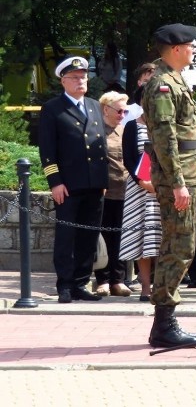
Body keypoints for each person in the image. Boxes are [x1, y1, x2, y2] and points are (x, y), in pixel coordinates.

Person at [141, 23, 196, 347]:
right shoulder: (163, 85)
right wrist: (179, 183)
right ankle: (164, 324)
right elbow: (164, 138)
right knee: (179, 249)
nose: (194, 50)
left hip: (188, 178)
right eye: (191, 46)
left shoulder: (175, 80)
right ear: (177, 48)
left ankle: (163, 323)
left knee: (178, 248)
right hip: (177, 181)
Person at [39, 56, 109, 303]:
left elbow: (100, 147)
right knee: (67, 237)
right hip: (68, 185)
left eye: (84, 77)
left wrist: (103, 181)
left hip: (93, 184)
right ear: (63, 81)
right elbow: (47, 150)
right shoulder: (53, 108)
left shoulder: (92, 105)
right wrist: (55, 182)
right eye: (75, 77)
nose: (81, 81)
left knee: (88, 236)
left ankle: (81, 282)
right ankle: (65, 285)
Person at [119, 87, 162, 302]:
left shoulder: (169, 126)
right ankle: (146, 286)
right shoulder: (131, 127)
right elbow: (128, 159)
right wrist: (144, 182)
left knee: (165, 240)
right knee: (142, 239)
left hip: (165, 189)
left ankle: (164, 286)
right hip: (140, 189)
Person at [94, 91, 132, 298]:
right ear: (105, 109)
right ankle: (102, 280)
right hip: (104, 191)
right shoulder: (95, 130)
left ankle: (119, 280)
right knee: (104, 238)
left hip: (125, 191)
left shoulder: (125, 130)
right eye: (119, 110)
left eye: (125, 111)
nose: (122, 114)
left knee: (121, 237)